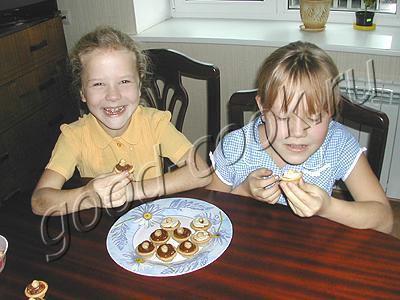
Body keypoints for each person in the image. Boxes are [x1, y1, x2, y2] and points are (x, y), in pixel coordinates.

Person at [207, 41, 393, 233]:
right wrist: (244, 192)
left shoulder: (338, 145)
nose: (297, 132)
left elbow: (385, 220)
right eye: (282, 117)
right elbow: (206, 217)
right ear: (262, 108)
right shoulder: (235, 148)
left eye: (313, 117)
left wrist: (328, 207)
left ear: (331, 112)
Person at [31, 26, 211, 216]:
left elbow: (200, 171)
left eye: (124, 82)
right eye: (98, 84)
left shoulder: (155, 123)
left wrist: (131, 191)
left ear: (139, 86)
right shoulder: (74, 136)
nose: (113, 95)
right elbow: (39, 201)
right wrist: (88, 195)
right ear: (82, 92)